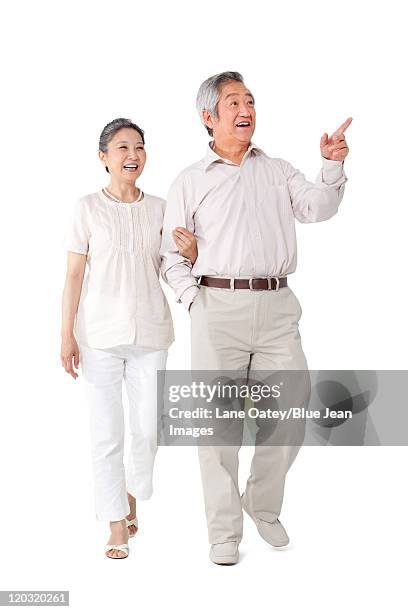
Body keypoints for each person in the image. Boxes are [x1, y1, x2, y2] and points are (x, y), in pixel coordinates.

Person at [160, 71, 351, 565]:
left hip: (276, 306)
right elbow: (169, 255)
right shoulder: (189, 180)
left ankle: (261, 504)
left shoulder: (279, 170)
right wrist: (192, 299)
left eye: (249, 100)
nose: (245, 109)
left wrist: (330, 167)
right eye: (232, 102)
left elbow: (317, 208)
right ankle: (224, 533)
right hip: (214, 308)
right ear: (209, 118)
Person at [61, 118, 197, 559]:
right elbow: (75, 274)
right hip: (98, 334)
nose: (132, 155)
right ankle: (116, 524)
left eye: (139, 146)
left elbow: (171, 265)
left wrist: (193, 253)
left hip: (152, 333)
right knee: (107, 434)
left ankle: (133, 496)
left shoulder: (160, 208)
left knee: (147, 428)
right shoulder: (86, 207)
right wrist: (66, 335)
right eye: (122, 147)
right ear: (104, 157)